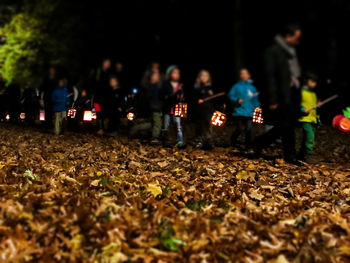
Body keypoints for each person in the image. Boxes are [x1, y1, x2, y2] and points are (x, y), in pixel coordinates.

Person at [254, 24, 302, 165]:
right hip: (280, 95)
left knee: (289, 125)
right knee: (285, 125)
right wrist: (273, 98)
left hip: (290, 94)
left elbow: (293, 75)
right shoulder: (273, 51)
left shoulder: (290, 52)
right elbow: (270, 76)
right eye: (296, 37)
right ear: (288, 36)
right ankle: (258, 143)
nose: (297, 41)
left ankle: (289, 155)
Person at [228, 68, 260, 152]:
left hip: (249, 111)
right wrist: (237, 100)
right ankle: (233, 140)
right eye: (242, 74)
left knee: (249, 129)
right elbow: (230, 96)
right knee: (239, 128)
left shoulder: (252, 88)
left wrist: (257, 107)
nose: (244, 75)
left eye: (245, 74)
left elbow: (255, 99)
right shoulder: (236, 86)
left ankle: (248, 146)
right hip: (239, 110)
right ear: (240, 75)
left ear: (249, 75)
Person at [298, 73, 321, 162]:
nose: (313, 84)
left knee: (307, 137)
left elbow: (314, 107)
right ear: (306, 81)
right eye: (311, 81)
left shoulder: (313, 94)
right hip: (304, 118)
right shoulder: (301, 92)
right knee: (309, 136)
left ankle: (302, 154)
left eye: (315, 82)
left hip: (312, 119)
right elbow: (298, 103)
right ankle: (308, 154)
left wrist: (317, 118)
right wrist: (302, 109)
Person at [161, 65, 185, 148]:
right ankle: (165, 140)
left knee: (178, 125)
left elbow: (182, 97)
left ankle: (180, 141)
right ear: (170, 74)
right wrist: (172, 93)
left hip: (177, 109)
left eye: (177, 73)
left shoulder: (180, 85)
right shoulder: (166, 84)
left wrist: (181, 96)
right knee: (165, 125)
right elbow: (163, 96)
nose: (176, 75)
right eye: (174, 73)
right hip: (167, 108)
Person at [194, 70, 215, 150]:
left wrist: (211, 94)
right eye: (202, 75)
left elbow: (214, 99)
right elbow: (193, 97)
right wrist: (198, 99)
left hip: (208, 110)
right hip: (199, 110)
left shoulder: (210, 87)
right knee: (199, 125)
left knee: (209, 125)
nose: (204, 77)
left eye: (206, 76)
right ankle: (199, 140)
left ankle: (208, 141)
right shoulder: (197, 87)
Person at [94, 58, 112, 135]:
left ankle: (104, 129)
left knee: (105, 113)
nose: (107, 64)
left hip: (106, 97)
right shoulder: (98, 71)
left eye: (109, 63)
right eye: (106, 62)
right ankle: (100, 128)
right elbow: (94, 82)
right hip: (97, 96)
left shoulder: (109, 73)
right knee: (98, 112)